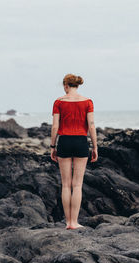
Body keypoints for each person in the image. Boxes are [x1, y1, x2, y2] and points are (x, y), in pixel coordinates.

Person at [50, 73, 98, 230]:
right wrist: (95, 147)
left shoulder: (58, 102)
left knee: (65, 185)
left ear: (65, 85)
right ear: (76, 85)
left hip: (64, 141)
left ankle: (67, 222)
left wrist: (52, 146)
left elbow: (55, 127)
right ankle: (75, 222)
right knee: (77, 185)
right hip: (81, 142)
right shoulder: (87, 102)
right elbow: (91, 126)